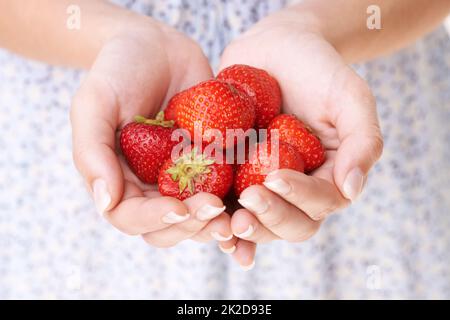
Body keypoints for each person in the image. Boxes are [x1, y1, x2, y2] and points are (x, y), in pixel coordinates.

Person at [0, 0, 449, 299]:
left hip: (350, 69)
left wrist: (313, 26)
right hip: (84, 89)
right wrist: (110, 36)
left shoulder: (234, 128)